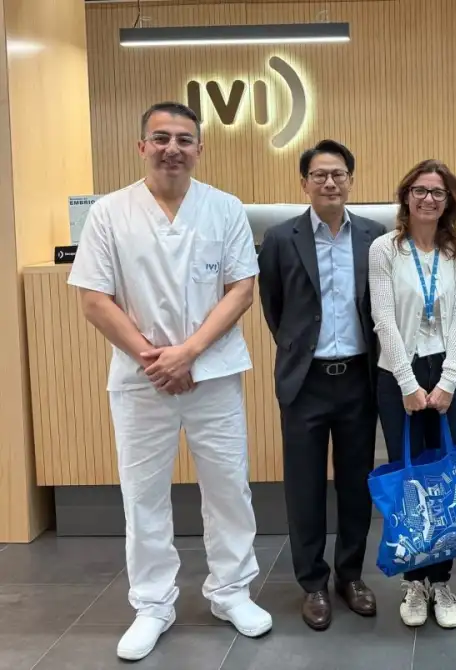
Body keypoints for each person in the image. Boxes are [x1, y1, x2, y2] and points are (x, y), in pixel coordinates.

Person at [67, 101, 272, 661]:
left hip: (213, 373)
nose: (172, 148)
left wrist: (188, 354)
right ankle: (153, 604)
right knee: (143, 494)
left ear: (200, 148)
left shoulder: (224, 207)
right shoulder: (110, 212)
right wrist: (155, 359)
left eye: (184, 139)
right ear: (142, 147)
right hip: (141, 380)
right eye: (161, 138)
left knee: (228, 487)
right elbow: (93, 298)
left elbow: (241, 290)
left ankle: (231, 592)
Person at [257, 140, 386, 631]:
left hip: (358, 378)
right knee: (304, 486)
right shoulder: (280, 239)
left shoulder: (374, 237)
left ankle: (350, 575)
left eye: (338, 174)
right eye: (319, 175)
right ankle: (313, 582)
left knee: (356, 484)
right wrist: (299, 351)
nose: (329, 183)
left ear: (351, 180)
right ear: (304, 183)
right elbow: (274, 307)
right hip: (305, 382)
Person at [369, 159, 456, 628]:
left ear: (449, 201)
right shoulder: (385, 249)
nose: (428, 199)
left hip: (449, 369)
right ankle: (414, 581)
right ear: (406, 196)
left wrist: (448, 380)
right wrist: (407, 383)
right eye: (420, 190)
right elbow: (383, 319)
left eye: (438, 192)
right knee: (409, 477)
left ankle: (443, 581)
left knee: (445, 477)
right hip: (400, 372)